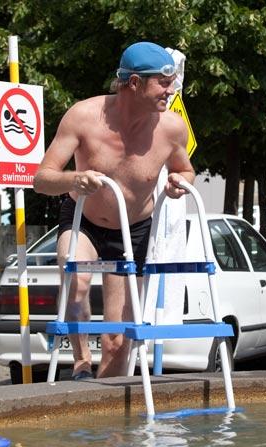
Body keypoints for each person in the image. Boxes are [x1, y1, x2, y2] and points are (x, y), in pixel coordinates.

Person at [33, 42, 195, 380]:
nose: (171, 90)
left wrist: (177, 184)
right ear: (134, 83)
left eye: (173, 81)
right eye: (163, 83)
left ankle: (109, 427)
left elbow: (186, 169)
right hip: (85, 222)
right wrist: (75, 179)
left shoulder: (172, 127)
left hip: (133, 230)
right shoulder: (84, 116)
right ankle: (80, 364)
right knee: (76, 279)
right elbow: (42, 179)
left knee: (118, 341)